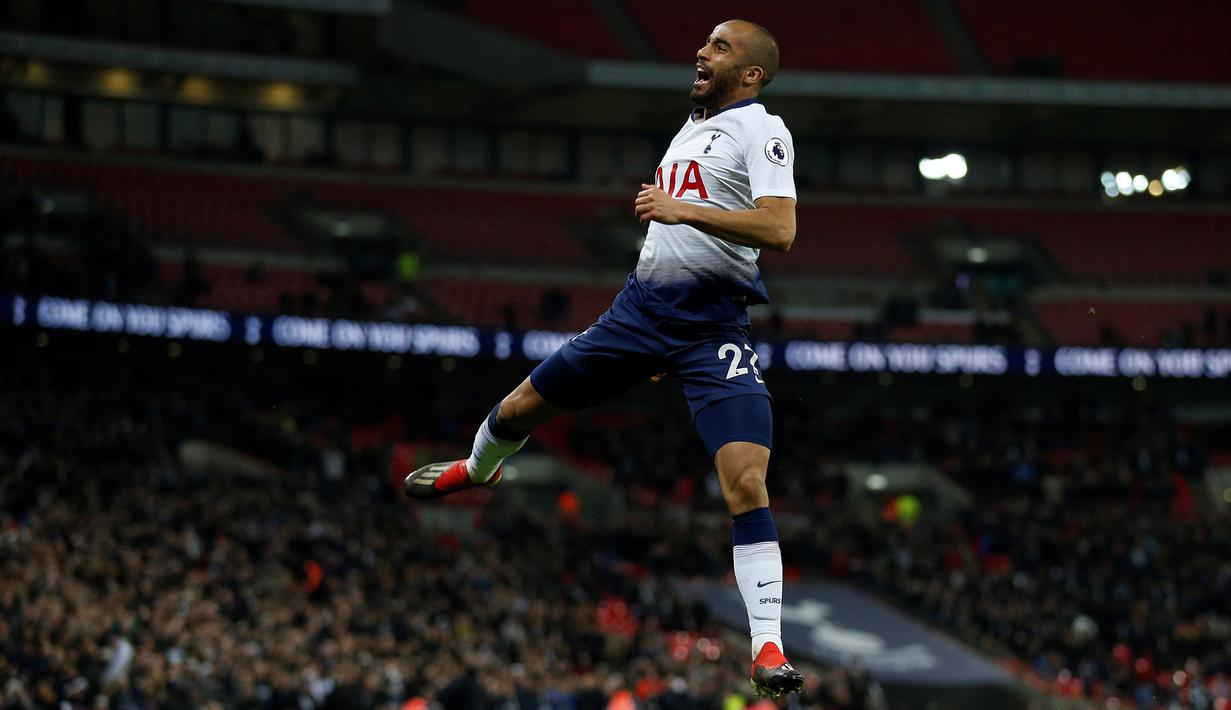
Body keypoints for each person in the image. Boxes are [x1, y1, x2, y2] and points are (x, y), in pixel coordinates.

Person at [405, 19, 803, 698]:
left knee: (745, 482)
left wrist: (683, 211)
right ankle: (476, 470)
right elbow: (675, 237)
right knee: (519, 407)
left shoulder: (761, 128)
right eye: (704, 41)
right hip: (640, 317)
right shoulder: (690, 127)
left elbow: (779, 227)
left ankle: (766, 645)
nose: (701, 52)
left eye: (719, 47)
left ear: (751, 74)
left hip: (712, 331)